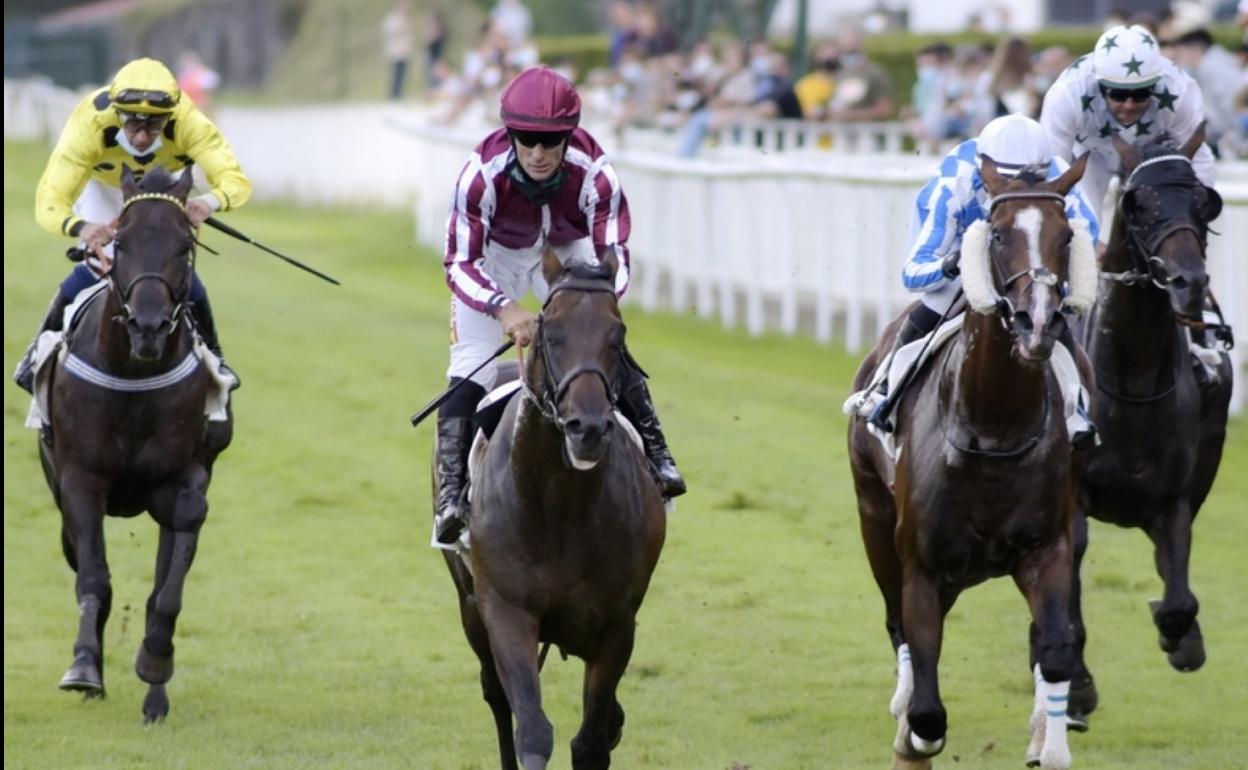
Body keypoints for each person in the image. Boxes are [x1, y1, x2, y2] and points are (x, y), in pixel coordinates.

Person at [434, 66, 686, 544]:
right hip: (495, 259)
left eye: (550, 141)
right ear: (509, 133)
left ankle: (658, 455)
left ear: (570, 137)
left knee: (598, 343)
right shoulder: (478, 178)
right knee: (470, 366)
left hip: (571, 257)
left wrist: (582, 306)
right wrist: (505, 309)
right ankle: (451, 496)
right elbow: (460, 261)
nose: (538, 153)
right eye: (526, 139)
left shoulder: (597, 174)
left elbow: (617, 258)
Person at [846, 114, 1100, 444]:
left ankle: (1076, 410)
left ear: (1044, 169)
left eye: (1029, 178)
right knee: (933, 305)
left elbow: (1083, 244)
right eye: (1007, 181)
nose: (1020, 188)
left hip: (1028, 271)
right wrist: (953, 265)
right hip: (962, 267)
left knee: (1052, 319)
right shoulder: (953, 185)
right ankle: (883, 392)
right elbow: (914, 272)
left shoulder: (1060, 178)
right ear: (985, 170)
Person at [14, 57, 251, 394]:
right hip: (105, 187)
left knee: (171, 263)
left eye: (154, 126)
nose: (141, 137)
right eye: (132, 124)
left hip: (161, 186)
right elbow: (50, 197)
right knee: (101, 263)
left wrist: (207, 202)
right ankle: (37, 352)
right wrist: (80, 227)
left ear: (171, 116)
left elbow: (235, 180)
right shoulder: (91, 121)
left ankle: (214, 356)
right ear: (117, 112)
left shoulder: (190, 121)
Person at [1040, 24, 1215, 222]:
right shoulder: (1067, 94)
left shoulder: (1179, 90)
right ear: (1100, 85)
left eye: (1141, 93)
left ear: (1155, 85)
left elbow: (1199, 160)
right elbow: (1055, 170)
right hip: (1090, 157)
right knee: (1085, 229)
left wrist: (1193, 214)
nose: (1129, 105)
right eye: (1119, 94)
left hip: (1154, 157)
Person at [382, 0, 414, 100]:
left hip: (405, 51)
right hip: (396, 52)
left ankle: (399, 94)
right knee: (396, 75)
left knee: (403, 75)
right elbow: (390, 32)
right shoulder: (393, 19)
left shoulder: (406, 18)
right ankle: (393, 96)